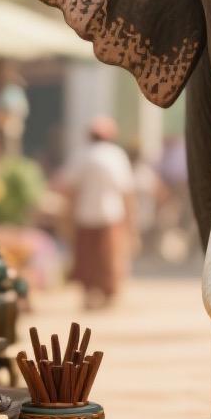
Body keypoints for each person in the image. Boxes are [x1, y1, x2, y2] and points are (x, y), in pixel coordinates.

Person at [57, 117, 136, 309]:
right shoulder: (116, 155)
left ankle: (90, 293)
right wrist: (131, 220)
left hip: (85, 214)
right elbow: (127, 192)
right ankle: (107, 294)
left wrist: (66, 217)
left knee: (88, 258)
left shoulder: (81, 155)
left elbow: (69, 188)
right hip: (111, 214)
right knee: (108, 257)